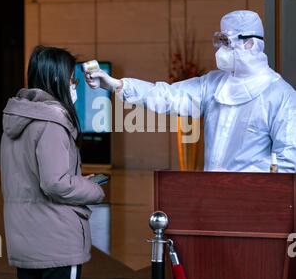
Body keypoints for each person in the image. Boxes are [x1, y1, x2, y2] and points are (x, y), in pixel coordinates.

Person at [84, 10, 296, 172]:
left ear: (250, 44)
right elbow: (167, 96)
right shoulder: (212, 84)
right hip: (212, 197)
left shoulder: (280, 96)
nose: (221, 50)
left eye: (227, 42)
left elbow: (288, 164)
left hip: (255, 206)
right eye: (219, 42)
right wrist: (118, 85)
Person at [0, 46, 105, 279]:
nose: (75, 86)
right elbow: (56, 183)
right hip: (57, 243)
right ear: (58, 79)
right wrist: (93, 189)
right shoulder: (53, 122)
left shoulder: (16, 118)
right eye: (73, 80)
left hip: (27, 239)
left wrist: (73, 180)